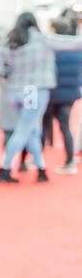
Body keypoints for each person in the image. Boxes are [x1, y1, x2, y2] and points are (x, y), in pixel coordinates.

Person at [0, 11, 82, 183]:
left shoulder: (10, 41)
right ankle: (4, 167)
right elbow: (73, 43)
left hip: (14, 91)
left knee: (33, 130)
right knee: (25, 129)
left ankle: (41, 168)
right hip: (33, 91)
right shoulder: (43, 39)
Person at [43, 16, 82, 174]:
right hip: (70, 94)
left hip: (51, 93)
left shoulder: (50, 48)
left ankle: (37, 162)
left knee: (43, 127)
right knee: (65, 127)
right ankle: (70, 162)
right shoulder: (77, 49)